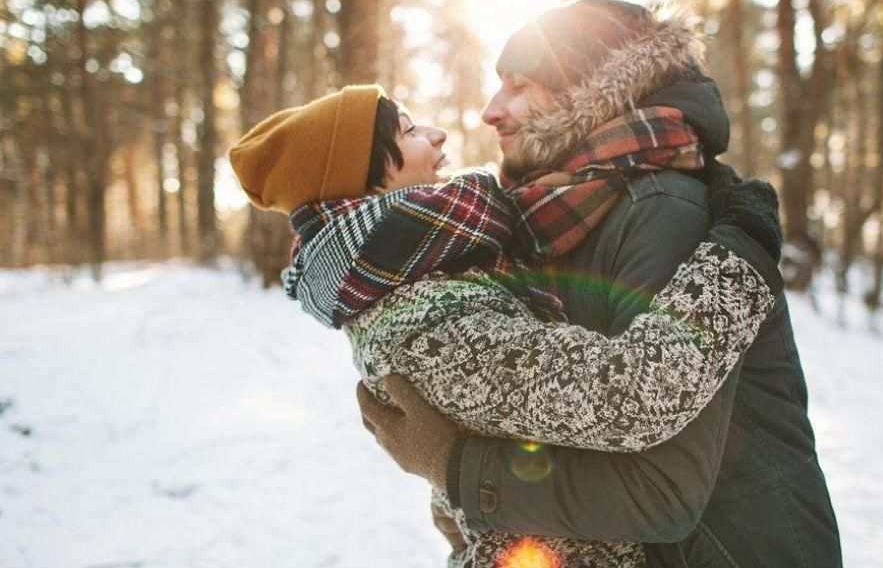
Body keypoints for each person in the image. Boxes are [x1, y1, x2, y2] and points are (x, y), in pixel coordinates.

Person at [360, 0, 843, 567]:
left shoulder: (662, 209)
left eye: (520, 85)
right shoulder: (558, 212)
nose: (491, 111)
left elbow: (662, 494)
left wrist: (458, 469)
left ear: (590, 93)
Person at [228, 83, 786, 567]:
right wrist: (744, 243)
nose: (439, 133)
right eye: (408, 132)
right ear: (370, 184)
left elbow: (455, 513)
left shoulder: (425, 280)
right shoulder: (426, 321)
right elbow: (633, 391)